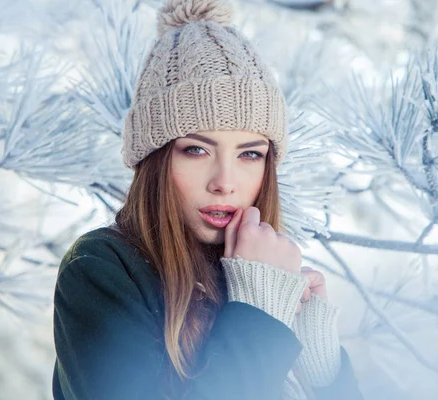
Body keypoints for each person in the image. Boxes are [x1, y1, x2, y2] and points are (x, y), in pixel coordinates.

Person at [52, 0, 364, 399]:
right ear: (156, 158)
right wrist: (262, 313)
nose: (225, 182)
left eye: (250, 154)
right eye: (197, 150)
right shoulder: (101, 267)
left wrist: (321, 368)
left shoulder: (258, 272)